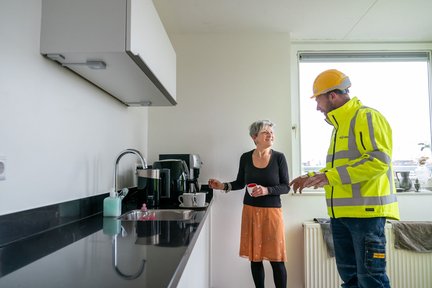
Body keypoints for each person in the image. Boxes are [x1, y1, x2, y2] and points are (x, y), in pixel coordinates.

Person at [290, 69, 400, 288]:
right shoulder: (340, 125)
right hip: (341, 216)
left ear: (332, 96)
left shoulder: (366, 116)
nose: (317, 107)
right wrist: (313, 176)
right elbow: (342, 166)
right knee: (350, 280)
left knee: (371, 281)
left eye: (318, 100)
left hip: (366, 215)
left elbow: (378, 160)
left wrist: (328, 176)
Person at [208, 120, 290, 288]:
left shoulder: (279, 157)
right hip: (250, 211)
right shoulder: (245, 157)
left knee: (277, 259)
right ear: (254, 137)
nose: (270, 135)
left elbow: (286, 187)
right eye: (265, 132)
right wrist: (222, 185)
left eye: (271, 132)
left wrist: (266, 190)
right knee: (255, 258)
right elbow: (240, 183)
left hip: (272, 213)